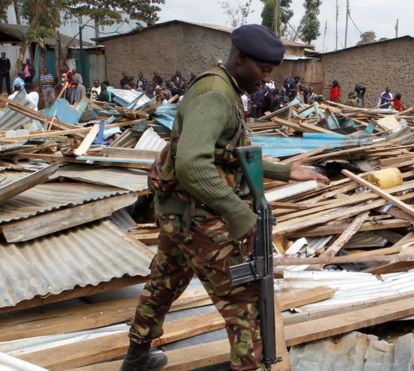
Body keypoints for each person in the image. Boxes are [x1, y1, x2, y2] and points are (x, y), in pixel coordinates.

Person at [120, 24, 328, 371]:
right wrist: (237, 212)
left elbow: (229, 150)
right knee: (244, 304)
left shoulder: (222, 87)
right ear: (241, 58)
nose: (266, 79)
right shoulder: (217, 95)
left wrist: (284, 171)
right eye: (262, 70)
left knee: (163, 283)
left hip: (180, 212)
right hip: (201, 217)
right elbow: (191, 163)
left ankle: (137, 357)